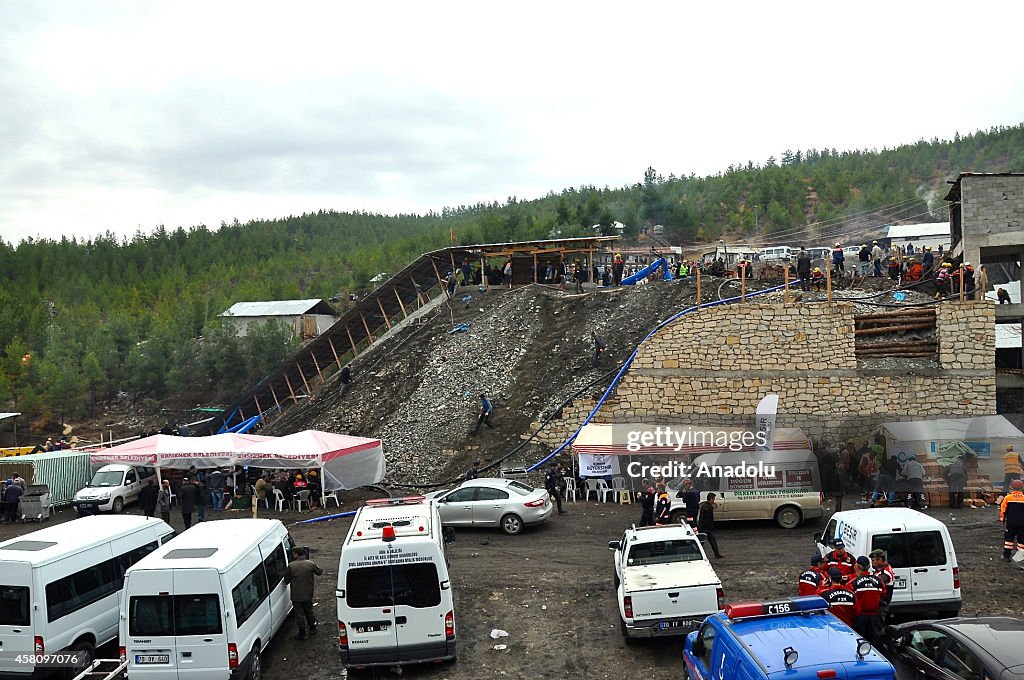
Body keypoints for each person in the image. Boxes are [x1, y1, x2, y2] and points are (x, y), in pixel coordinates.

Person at [285, 546, 323, 640]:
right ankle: (312, 629)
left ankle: (302, 633)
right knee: (309, 611)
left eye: (294, 553)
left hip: (296, 595)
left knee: (299, 614)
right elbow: (319, 572)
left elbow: (286, 580)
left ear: (297, 554)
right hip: (308, 593)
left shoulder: (291, 566)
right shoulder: (310, 564)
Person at [849, 557, 885, 641]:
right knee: (875, 643)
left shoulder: (852, 583)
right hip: (875, 617)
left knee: (860, 641)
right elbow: (883, 594)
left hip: (859, 618)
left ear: (857, 566)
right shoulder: (879, 581)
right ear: (869, 567)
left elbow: (850, 599)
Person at [1000, 479, 1024, 562]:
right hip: (1022, 524)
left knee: (1009, 539)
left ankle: (1007, 555)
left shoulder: (1008, 498)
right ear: (1022, 488)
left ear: (1012, 487)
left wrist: (1002, 518)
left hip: (1011, 523)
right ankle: (1020, 556)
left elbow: (1003, 509)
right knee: (1021, 540)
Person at [696, 493, 723, 558]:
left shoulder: (704, 505)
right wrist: (709, 527)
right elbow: (708, 518)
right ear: (711, 498)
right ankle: (716, 554)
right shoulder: (708, 507)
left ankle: (697, 554)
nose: (714, 500)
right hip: (706, 528)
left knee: (702, 542)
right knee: (711, 541)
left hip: (702, 527)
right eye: (714, 498)